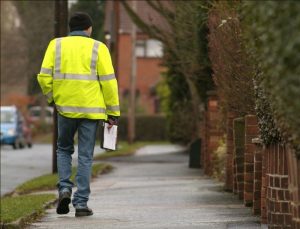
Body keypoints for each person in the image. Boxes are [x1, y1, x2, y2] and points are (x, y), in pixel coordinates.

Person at [37, 12, 120, 217]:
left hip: (65, 109)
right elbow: (109, 82)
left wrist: (53, 99)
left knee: (64, 149)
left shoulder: (55, 45)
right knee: (85, 156)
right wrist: (113, 112)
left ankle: (64, 188)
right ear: (89, 28)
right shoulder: (99, 48)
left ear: (70, 28)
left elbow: (43, 77)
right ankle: (81, 203)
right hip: (91, 113)